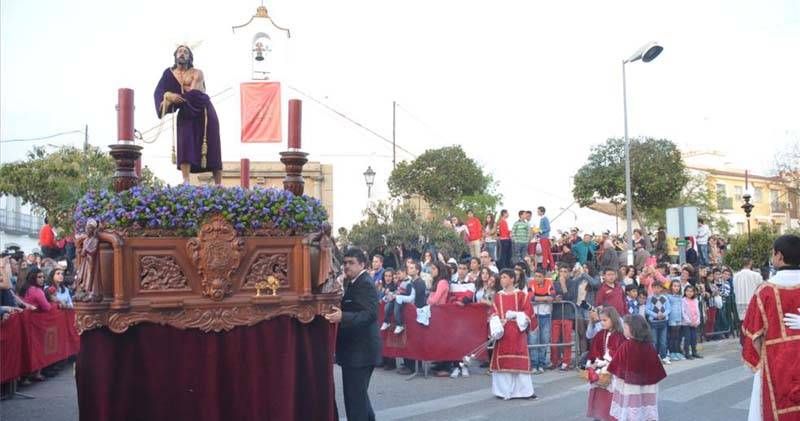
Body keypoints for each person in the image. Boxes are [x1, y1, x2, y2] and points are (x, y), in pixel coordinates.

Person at [742, 234, 800, 421]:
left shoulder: (765, 291)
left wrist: (761, 363)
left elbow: (753, 335)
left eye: (773, 254)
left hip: (775, 364)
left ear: (779, 256)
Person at [324, 248, 381, 421]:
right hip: (356, 352)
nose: (346, 266)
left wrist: (343, 316)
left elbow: (370, 314)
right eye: (345, 262)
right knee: (360, 398)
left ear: (362, 264)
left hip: (361, 353)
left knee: (355, 402)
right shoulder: (354, 281)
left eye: (351, 263)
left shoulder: (365, 283)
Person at [154, 45, 222, 185]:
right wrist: (167, 95)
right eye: (180, 51)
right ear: (175, 55)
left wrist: (174, 96)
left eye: (186, 52)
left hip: (202, 109)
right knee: (184, 141)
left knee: (212, 144)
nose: (182, 54)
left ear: (190, 57)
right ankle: (186, 181)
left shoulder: (197, 73)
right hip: (185, 110)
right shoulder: (168, 74)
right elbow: (159, 92)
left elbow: (193, 93)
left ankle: (218, 184)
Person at [488, 269, 537, 400]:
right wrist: (497, 321)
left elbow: (528, 313)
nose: (502, 280)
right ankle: (503, 392)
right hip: (503, 333)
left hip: (517, 333)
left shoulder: (521, 295)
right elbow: (493, 312)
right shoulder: (498, 296)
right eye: (501, 277)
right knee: (504, 362)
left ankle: (524, 392)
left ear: (512, 279)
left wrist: (515, 314)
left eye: (504, 277)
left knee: (518, 362)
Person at [608, 315, 667, 421]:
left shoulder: (626, 346)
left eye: (625, 328)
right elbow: (655, 366)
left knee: (632, 409)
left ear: (634, 329)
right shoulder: (649, 346)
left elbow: (616, 366)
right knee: (646, 407)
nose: (623, 330)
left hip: (630, 386)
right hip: (648, 384)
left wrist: (616, 379)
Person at [585, 307, 626, 421]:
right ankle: (598, 417)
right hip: (599, 372)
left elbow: (619, 354)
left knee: (610, 400)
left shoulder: (619, 336)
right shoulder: (599, 334)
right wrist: (593, 363)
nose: (602, 323)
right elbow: (594, 350)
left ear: (613, 319)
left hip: (612, 373)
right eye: (601, 320)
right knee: (599, 397)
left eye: (605, 320)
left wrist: (608, 364)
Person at [551, 266, 579, 371]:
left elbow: (569, 297)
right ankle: (554, 360)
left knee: (567, 339)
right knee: (554, 340)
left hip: (567, 314)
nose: (563, 273)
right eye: (561, 271)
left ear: (569, 273)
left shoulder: (573, 283)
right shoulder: (554, 283)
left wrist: (563, 285)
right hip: (556, 314)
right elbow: (552, 295)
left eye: (565, 271)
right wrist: (554, 298)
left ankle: (566, 362)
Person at [527, 268, 554, 373]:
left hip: (546, 316)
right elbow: (530, 297)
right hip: (534, 315)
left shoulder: (549, 283)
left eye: (539, 276)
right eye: (536, 276)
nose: (537, 278)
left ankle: (541, 364)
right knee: (533, 341)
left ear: (544, 277)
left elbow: (552, 296)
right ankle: (534, 364)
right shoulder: (531, 283)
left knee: (544, 340)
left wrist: (539, 298)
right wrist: (545, 298)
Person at [645, 281, 671, 364]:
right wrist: (656, 315)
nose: (657, 289)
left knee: (663, 341)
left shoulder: (665, 298)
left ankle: (664, 356)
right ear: (652, 288)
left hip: (663, 322)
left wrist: (663, 314)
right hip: (654, 322)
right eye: (655, 287)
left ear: (661, 288)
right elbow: (647, 309)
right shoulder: (650, 298)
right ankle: (654, 357)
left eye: (659, 287)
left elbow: (669, 309)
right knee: (654, 341)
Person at [681, 285, 702, 360]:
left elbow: (698, 312)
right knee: (688, 338)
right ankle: (687, 353)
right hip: (686, 323)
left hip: (695, 323)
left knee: (694, 338)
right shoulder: (683, 300)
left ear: (694, 292)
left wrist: (697, 321)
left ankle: (694, 352)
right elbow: (683, 312)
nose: (689, 293)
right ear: (685, 292)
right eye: (687, 291)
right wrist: (689, 321)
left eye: (691, 291)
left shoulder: (696, 300)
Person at [666, 280, 685, 361]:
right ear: (671, 287)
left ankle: (677, 352)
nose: (676, 288)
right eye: (674, 286)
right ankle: (672, 352)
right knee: (672, 336)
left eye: (678, 286)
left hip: (679, 318)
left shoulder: (681, 296)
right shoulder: (668, 296)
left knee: (678, 336)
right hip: (672, 318)